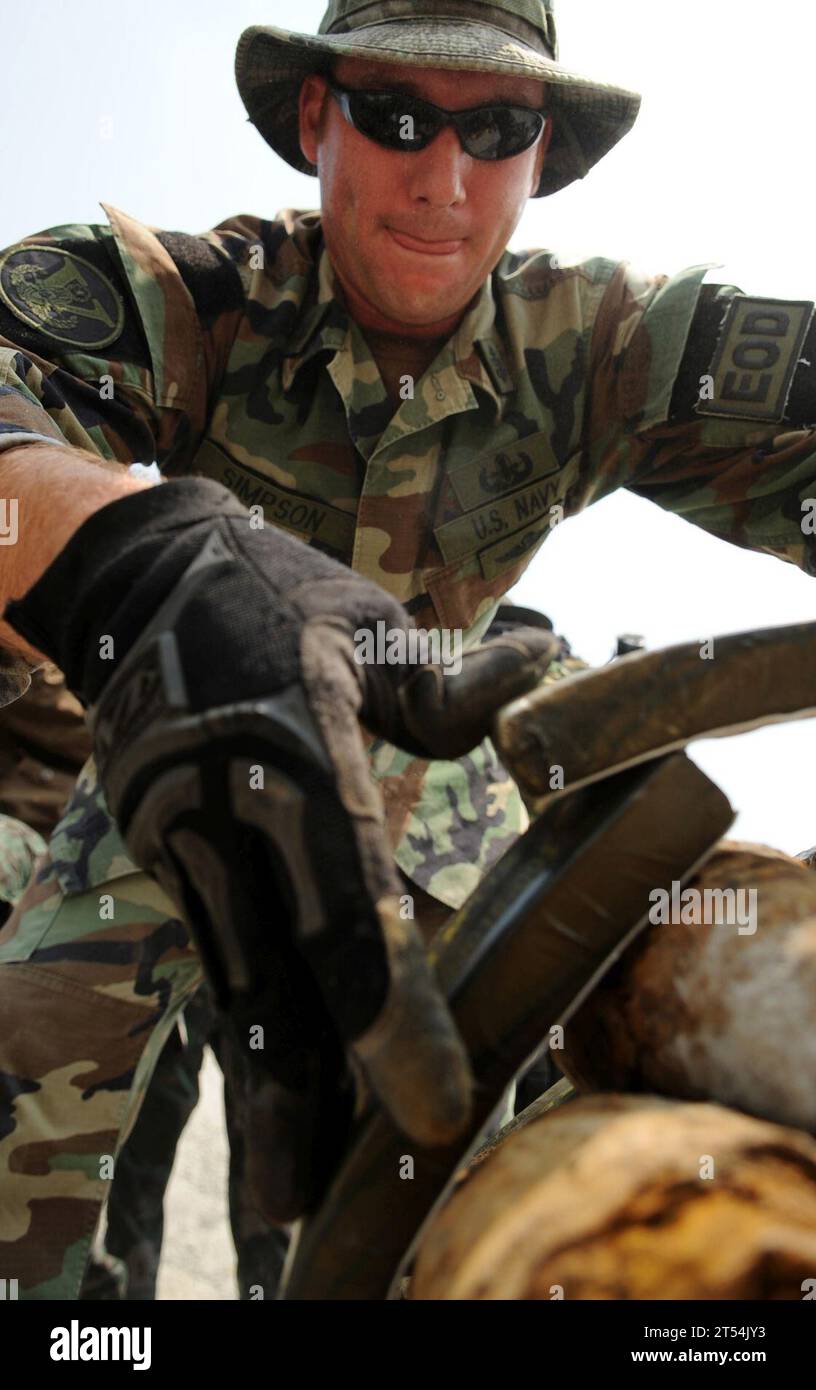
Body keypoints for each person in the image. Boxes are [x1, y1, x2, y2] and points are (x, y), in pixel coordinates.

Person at [1, 0, 814, 1301]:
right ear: (316, 118)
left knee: (443, 1215)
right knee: (19, 1131)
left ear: (542, 151)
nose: (443, 180)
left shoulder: (601, 345)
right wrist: (146, 569)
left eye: (494, 128)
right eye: (396, 117)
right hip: (196, 760)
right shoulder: (201, 297)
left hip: (442, 830)